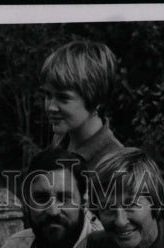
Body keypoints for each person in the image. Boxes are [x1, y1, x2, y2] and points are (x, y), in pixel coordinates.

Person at [41, 40, 124, 170]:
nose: (51, 107)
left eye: (63, 98)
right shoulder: (60, 142)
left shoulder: (115, 166)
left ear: (96, 100)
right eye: (48, 95)